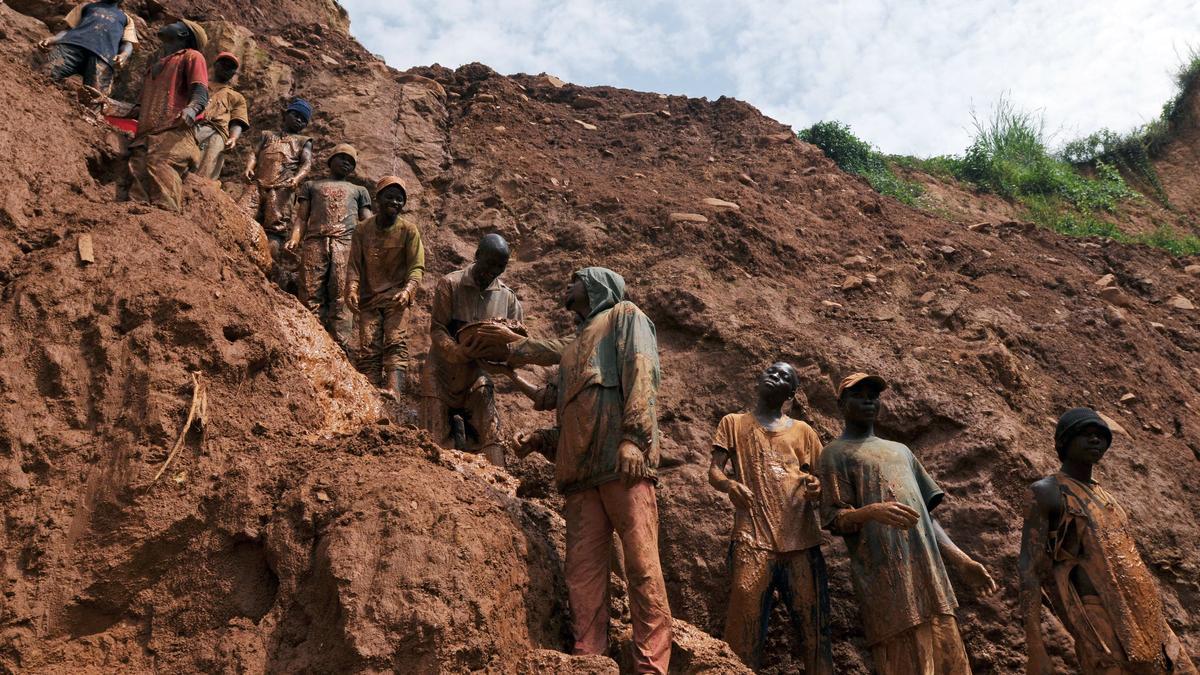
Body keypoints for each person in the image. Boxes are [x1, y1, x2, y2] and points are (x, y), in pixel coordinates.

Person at [474, 268, 673, 674]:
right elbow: (566, 408)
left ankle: (651, 667)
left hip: (623, 467)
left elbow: (642, 372)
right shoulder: (577, 344)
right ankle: (590, 663)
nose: (567, 284)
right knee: (582, 578)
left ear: (598, 285)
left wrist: (635, 437)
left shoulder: (625, 316)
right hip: (581, 479)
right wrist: (539, 437)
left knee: (641, 568)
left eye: (575, 279)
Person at [818, 373, 997, 675]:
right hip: (887, 584)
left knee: (951, 662)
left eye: (873, 395)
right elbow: (835, 519)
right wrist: (871, 511)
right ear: (841, 403)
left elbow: (926, 516)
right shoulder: (834, 455)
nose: (867, 400)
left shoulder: (902, 451)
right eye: (858, 394)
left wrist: (961, 560)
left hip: (932, 580)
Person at [1019, 408, 1197, 675]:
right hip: (1099, 619)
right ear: (1064, 441)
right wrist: (1035, 647)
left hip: (1146, 616)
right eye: (1086, 434)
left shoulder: (1107, 498)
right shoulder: (1047, 492)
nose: (1095, 441)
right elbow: (1029, 570)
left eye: (1101, 436)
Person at [708, 362, 833, 673]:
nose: (777, 377)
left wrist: (817, 487)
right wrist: (730, 484)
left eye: (786, 377)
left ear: (791, 393)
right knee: (742, 626)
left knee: (815, 628)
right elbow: (714, 471)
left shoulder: (804, 432)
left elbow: (825, 481)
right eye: (772, 371)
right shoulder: (733, 423)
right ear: (758, 379)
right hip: (752, 539)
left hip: (801, 541)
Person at [421, 234, 523, 466]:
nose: (494, 270)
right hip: (442, 372)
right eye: (489, 263)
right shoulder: (450, 284)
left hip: (477, 374)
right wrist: (457, 352)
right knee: (433, 445)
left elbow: (516, 343)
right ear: (477, 256)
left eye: (501, 266)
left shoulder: (508, 298)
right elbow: (437, 329)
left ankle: (500, 487)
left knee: (491, 434)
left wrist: (504, 355)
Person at [284, 144, 371, 355]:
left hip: (346, 245)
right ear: (330, 160)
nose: (346, 163)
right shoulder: (311, 186)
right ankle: (307, 342)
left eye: (351, 161)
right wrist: (295, 238)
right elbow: (302, 218)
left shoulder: (359, 191)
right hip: (315, 242)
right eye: (342, 158)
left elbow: (368, 223)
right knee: (310, 292)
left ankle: (339, 349)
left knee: (342, 296)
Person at [346, 176, 424, 396]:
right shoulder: (362, 230)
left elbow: (416, 267)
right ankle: (368, 393)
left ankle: (394, 391)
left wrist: (408, 291)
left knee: (395, 342)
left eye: (400, 199)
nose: (395, 202)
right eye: (390, 197)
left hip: (397, 300)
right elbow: (354, 265)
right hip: (369, 300)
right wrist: (351, 288)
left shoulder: (409, 231)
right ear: (378, 199)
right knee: (368, 347)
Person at [127, 19, 208, 213]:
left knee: (161, 170)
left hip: (173, 133)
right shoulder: (155, 66)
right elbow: (138, 108)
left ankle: (167, 225)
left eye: (177, 23)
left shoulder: (192, 56)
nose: (169, 23)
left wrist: (191, 109)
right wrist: (105, 103)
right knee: (137, 183)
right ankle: (137, 226)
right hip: (144, 137)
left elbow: (201, 92)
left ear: (183, 34)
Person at [245, 99, 314, 291]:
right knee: (244, 214)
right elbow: (254, 153)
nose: (299, 121)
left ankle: (266, 266)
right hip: (258, 184)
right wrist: (249, 167)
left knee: (275, 229)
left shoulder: (303, 142)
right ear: (285, 115)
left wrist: (297, 179)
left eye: (303, 119)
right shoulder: (267, 135)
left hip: (282, 189)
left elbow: (306, 164)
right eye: (296, 115)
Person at [38, 0, 137, 96]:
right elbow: (68, 29)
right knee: (44, 75)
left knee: (96, 98)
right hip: (71, 46)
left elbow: (128, 43)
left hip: (103, 57)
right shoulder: (86, 6)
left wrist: (124, 55)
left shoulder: (127, 20)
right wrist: (53, 39)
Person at [194, 52, 249, 180]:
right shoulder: (199, 84)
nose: (226, 68)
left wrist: (233, 138)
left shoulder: (237, 97)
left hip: (217, 133)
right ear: (215, 65)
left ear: (233, 73)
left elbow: (237, 121)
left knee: (205, 172)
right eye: (223, 64)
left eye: (230, 67)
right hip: (192, 127)